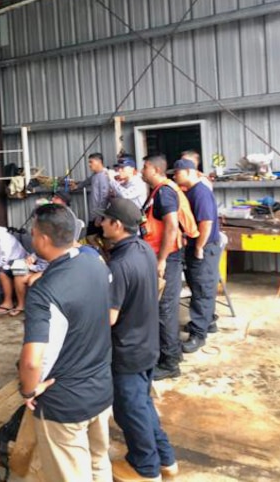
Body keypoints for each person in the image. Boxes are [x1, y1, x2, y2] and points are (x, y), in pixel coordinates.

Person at [19, 204, 113, 482]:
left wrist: (29, 390)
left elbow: (33, 360)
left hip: (65, 405)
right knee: (98, 463)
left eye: (33, 233)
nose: (31, 237)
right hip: (101, 389)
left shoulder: (44, 293)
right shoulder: (94, 261)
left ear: (43, 240)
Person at [99, 199, 179, 482]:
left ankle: (145, 468)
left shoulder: (119, 265)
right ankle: (166, 459)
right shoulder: (144, 249)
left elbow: (108, 317)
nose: (100, 223)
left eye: (105, 219)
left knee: (129, 410)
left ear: (116, 225)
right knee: (142, 404)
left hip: (127, 350)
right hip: (147, 343)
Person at [140, 154, 197, 381]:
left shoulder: (164, 192)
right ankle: (171, 355)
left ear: (154, 169)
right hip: (163, 255)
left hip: (168, 258)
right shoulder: (158, 192)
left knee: (165, 310)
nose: (142, 171)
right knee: (163, 308)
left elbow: (172, 227)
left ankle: (170, 362)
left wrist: (161, 260)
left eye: (144, 167)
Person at [173, 158, 222, 354]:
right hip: (198, 246)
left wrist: (199, 247)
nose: (174, 176)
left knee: (202, 289)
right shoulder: (191, 191)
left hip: (205, 247)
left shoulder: (200, 192)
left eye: (177, 173)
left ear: (188, 172)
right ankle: (208, 322)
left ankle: (198, 335)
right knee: (199, 286)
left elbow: (206, 223)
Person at [74, 153, 110, 242]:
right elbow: (87, 181)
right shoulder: (95, 175)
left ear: (99, 162)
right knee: (96, 238)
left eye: (91, 162)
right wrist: (77, 186)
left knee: (94, 238)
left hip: (100, 215)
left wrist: (100, 216)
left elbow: (104, 197)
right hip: (94, 214)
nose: (89, 165)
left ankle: (104, 255)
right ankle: (103, 255)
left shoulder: (104, 176)